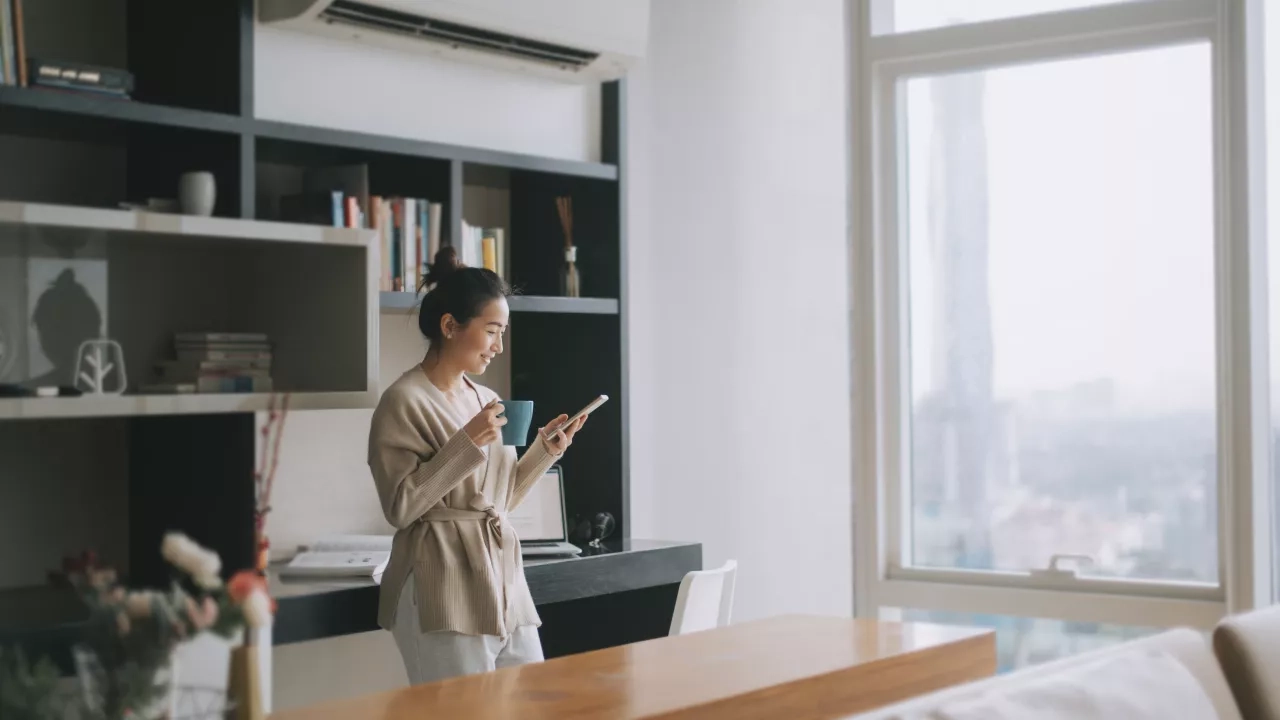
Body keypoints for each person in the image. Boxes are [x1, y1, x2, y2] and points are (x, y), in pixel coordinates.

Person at [367, 247, 588, 685]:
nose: (499, 347)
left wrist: (545, 451)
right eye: (491, 331)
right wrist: (466, 443)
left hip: (503, 579)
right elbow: (401, 507)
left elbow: (496, 500)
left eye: (502, 332)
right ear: (450, 326)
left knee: (529, 702)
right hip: (441, 582)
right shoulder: (402, 402)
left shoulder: (486, 399)